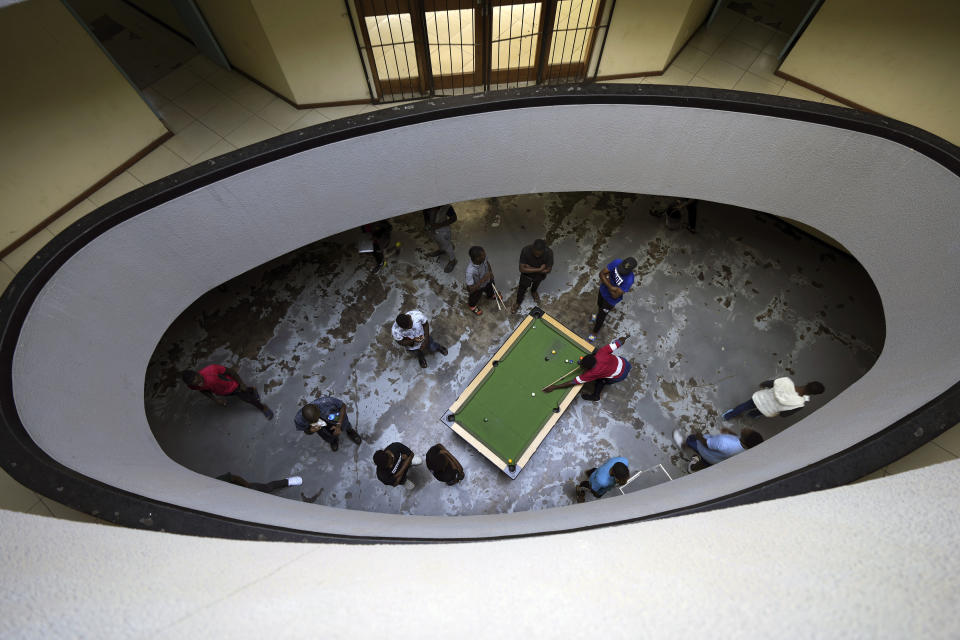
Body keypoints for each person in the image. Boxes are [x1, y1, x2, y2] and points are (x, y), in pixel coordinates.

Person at [542, 336, 631, 402]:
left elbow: (573, 382)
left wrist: (555, 386)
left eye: (582, 366)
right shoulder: (602, 352)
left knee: (601, 381)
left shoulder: (591, 374)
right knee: (597, 353)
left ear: (588, 369)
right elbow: (620, 342)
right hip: (625, 363)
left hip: (619, 375)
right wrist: (625, 337)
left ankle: (595, 396)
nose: (580, 366)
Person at [181, 364, 273, 420]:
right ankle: (252, 389)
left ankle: (263, 408)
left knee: (249, 399)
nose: (200, 384)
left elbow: (231, 372)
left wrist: (241, 384)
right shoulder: (193, 385)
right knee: (246, 393)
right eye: (196, 384)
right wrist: (215, 399)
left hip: (233, 386)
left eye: (199, 381)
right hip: (223, 392)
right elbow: (203, 390)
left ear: (198, 374)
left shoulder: (212, 369)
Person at [722, 378, 825, 420]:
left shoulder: (786, 381)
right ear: (812, 394)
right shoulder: (799, 404)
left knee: (744, 406)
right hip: (768, 410)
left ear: (808, 383)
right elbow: (784, 415)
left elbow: (768, 383)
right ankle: (752, 415)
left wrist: (763, 384)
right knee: (758, 412)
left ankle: (728, 416)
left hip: (760, 398)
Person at [293, 396, 362, 452]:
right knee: (327, 436)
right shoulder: (299, 420)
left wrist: (339, 424)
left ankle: (350, 431)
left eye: (317, 418)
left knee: (346, 425)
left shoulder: (326, 402)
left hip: (336, 419)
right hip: (322, 429)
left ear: (318, 409)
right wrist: (311, 430)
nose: (318, 421)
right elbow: (306, 431)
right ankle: (333, 440)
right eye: (314, 421)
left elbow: (342, 406)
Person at [673, 427, 763, 466]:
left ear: (746, 438)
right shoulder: (746, 448)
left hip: (705, 450)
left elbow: (706, 444)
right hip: (716, 459)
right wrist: (730, 432)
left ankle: (683, 445)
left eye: (749, 431)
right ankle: (696, 464)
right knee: (705, 461)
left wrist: (699, 435)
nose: (748, 428)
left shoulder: (724, 441)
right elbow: (738, 440)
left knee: (691, 439)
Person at [592, 257, 637, 335]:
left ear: (630, 270)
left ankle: (595, 332)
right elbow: (601, 274)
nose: (621, 271)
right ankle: (598, 314)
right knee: (599, 305)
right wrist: (612, 287)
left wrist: (607, 279)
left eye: (624, 271)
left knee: (601, 316)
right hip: (602, 290)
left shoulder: (629, 279)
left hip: (610, 301)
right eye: (621, 268)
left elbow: (614, 296)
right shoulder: (617, 262)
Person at [511, 238, 554, 313]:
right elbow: (521, 269)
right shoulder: (526, 250)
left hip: (538, 275)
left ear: (544, 250)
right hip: (527, 275)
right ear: (532, 248)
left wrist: (529, 267)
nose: (537, 255)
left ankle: (533, 292)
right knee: (522, 288)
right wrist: (539, 269)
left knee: (536, 284)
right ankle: (518, 302)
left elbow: (548, 270)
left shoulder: (549, 253)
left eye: (539, 254)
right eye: (535, 253)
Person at [423, 204, 458, 273]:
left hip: (443, 229)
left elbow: (454, 218)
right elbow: (426, 217)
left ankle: (453, 260)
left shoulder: (446, 206)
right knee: (438, 241)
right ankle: (442, 250)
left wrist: (439, 225)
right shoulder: (425, 206)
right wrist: (427, 225)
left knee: (447, 246)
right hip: (433, 230)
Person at [465, 245, 497, 316]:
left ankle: (490, 295)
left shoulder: (484, 258)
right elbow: (470, 289)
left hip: (487, 281)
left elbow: (487, 263)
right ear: (477, 258)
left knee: (491, 288)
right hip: (478, 287)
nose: (485, 255)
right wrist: (483, 279)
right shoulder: (470, 271)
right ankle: (472, 306)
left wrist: (490, 272)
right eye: (483, 255)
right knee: (475, 297)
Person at [217, 472, 302, 493]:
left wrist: (247, 486)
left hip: (246, 490)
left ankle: (287, 481)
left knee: (268, 488)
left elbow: (232, 478)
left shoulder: (216, 483)